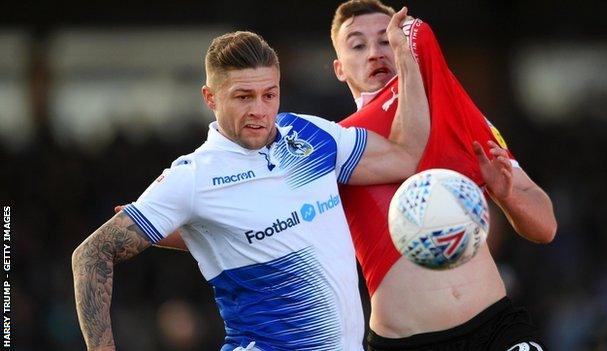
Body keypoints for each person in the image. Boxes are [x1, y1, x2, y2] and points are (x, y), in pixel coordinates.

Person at [72, 12, 430, 351]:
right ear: (210, 98)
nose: (259, 110)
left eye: (269, 95)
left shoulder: (311, 134)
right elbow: (90, 255)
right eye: (243, 97)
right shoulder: (193, 177)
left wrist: (406, 57)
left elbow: (406, 156)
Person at [331, 1, 557, 350]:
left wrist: (506, 194)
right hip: (407, 342)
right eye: (359, 45)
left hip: (496, 329)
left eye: (388, 41)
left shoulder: (449, 105)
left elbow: (545, 227)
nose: (376, 53)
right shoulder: (336, 144)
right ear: (339, 68)